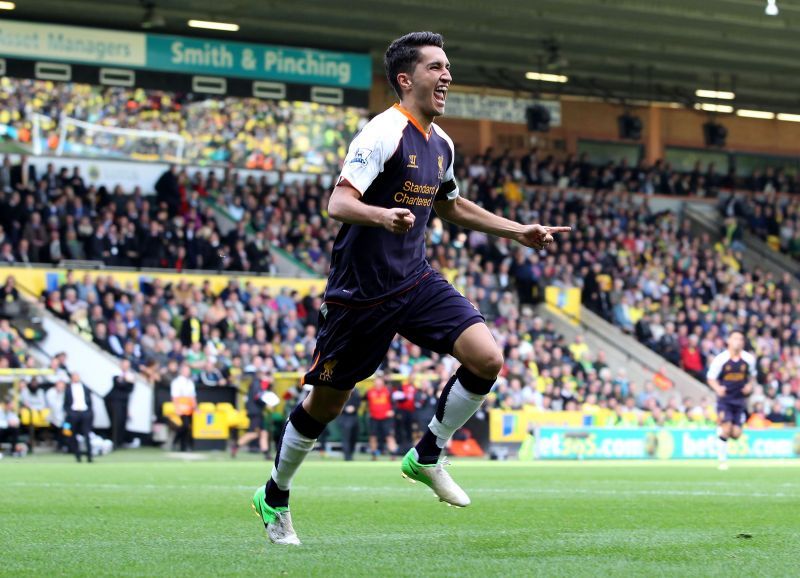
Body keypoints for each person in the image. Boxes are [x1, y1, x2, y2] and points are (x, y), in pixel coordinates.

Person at [252, 31, 569, 545]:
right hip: (361, 292)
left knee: (487, 357)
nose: (447, 76)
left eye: (448, 67)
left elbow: (450, 207)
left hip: (415, 279)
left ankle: (427, 453)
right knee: (326, 405)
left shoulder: (440, 143)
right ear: (406, 79)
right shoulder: (381, 133)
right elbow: (338, 203)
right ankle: (274, 494)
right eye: (436, 68)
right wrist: (381, 215)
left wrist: (519, 231)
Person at [706, 331, 757, 471]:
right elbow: (711, 378)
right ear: (728, 340)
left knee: (736, 434)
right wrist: (718, 388)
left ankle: (720, 432)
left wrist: (749, 386)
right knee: (726, 429)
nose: (738, 341)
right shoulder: (721, 359)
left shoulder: (748, 359)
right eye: (735, 338)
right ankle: (722, 460)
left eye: (741, 339)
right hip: (725, 400)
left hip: (740, 401)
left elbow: (752, 376)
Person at [233, 371, 277, 459]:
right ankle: (236, 446)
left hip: (257, 412)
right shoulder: (257, 383)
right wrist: (266, 405)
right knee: (254, 433)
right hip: (255, 412)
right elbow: (257, 397)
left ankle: (266, 454)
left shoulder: (258, 384)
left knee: (264, 433)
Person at [64, 372, 94, 463]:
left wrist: (89, 412)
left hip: (85, 413)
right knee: (72, 435)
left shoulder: (85, 388)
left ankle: (89, 455)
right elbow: (65, 404)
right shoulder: (68, 389)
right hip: (74, 414)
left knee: (87, 435)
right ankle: (77, 456)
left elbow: (90, 402)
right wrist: (70, 413)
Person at [106, 360, 135, 449]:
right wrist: (126, 381)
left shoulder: (130, 375)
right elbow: (119, 384)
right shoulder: (116, 373)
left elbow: (130, 388)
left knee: (122, 421)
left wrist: (126, 381)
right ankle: (114, 442)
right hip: (114, 401)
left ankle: (120, 442)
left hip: (124, 402)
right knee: (116, 421)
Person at [366, 376, 397, 460]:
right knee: (373, 436)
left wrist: (392, 411)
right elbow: (364, 402)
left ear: (383, 382)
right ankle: (374, 455)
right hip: (374, 418)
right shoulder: (369, 392)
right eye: (376, 381)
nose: (378, 383)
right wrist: (368, 411)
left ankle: (393, 454)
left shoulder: (388, 391)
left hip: (386, 418)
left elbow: (394, 404)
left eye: (380, 382)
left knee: (389, 436)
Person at [170, 363, 196, 452]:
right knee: (184, 425)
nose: (187, 372)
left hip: (189, 408)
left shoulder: (190, 382)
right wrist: (177, 408)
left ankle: (183, 446)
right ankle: (175, 441)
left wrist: (195, 407)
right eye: (185, 370)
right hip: (181, 407)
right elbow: (175, 397)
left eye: (188, 371)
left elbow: (192, 397)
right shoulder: (176, 382)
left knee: (188, 427)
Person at [392, 378, 417, 452]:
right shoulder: (403, 386)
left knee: (410, 429)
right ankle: (401, 446)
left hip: (412, 412)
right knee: (401, 428)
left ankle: (409, 446)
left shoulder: (415, 388)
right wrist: (405, 397)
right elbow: (396, 396)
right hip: (402, 411)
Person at [337, 387, 361, 461]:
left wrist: (355, 408)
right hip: (344, 417)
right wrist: (345, 408)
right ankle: (347, 457)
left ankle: (351, 454)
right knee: (346, 437)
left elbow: (358, 402)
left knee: (354, 437)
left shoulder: (356, 391)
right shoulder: (340, 390)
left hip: (354, 417)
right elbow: (336, 403)